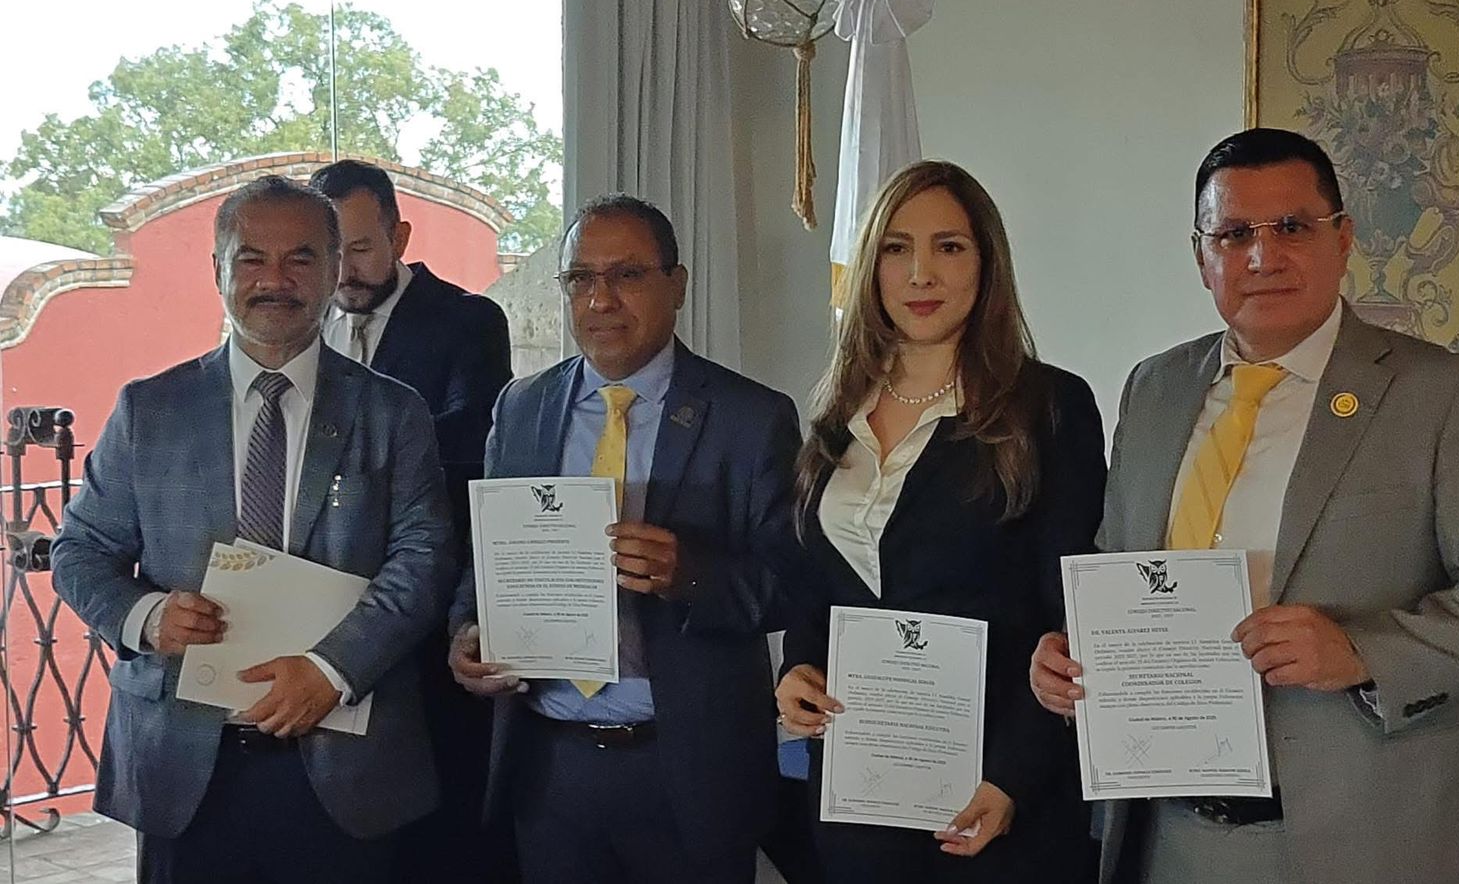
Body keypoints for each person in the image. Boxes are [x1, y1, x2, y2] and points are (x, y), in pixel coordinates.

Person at [1028, 128, 1459, 884]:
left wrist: (1363, 652)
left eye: (1292, 227)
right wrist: (1069, 654)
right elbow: (1116, 563)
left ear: (1342, 240)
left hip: (1370, 840)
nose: (1263, 256)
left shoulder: (1441, 393)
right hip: (1169, 839)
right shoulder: (1154, 390)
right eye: (1234, 234)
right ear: (1201, 256)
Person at [51, 175, 454, 883]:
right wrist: (147, 617)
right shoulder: (150, 410)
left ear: (334, 269)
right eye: (251, 259)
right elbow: (79, 552)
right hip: (184, 767)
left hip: (348, 766)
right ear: (218, 269)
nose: (275, 279)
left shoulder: (394, 413)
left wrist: (332, 671)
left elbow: (424, 561)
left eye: (300, 258)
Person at [447, 193, 802, 883]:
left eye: (627, 275)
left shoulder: (751, 418)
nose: (601, 299)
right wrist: (466, 632)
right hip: (550, 764)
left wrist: (690, 574)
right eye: (581, 278)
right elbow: (482, 561)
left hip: (686, 767)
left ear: (677, 285)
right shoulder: (521, 407)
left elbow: (791, 584)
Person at [775, 159, 1107, 882]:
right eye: (897, 249)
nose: (921, 273)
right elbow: (821, 584)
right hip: (859, 788)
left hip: (995, 800)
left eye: (949, 247)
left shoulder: (1048, 406)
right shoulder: (836, 408)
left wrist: (1014, 776)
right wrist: (796, 670)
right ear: (872, 267)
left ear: (986, 263)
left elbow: (1069, 620)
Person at [310, 157, 515, 883]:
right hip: (324, 614)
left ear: (399, 237)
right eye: (329, 252)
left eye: (361, 248)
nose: (344, 271)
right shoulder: (303, 324)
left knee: (442, 828)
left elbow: (465, 452)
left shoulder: (466, 321)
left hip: (431, 611)